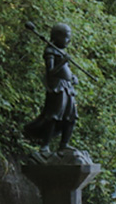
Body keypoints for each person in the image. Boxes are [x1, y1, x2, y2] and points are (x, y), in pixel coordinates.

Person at [23, 23, 78, 153]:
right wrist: (63, 62)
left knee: (71, 115)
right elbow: (51, 72)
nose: (68, 40)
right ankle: (45, 145)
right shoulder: (50, 51)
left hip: (67, 86)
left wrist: (73, 77)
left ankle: (64, 144)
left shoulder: (62, 51)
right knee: (54, 115)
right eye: (65, 37)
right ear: (56, 37)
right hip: (57, 86)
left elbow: (67, 70)